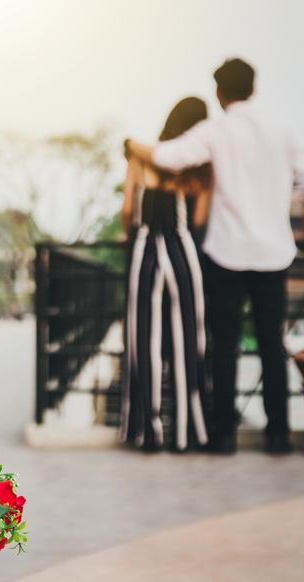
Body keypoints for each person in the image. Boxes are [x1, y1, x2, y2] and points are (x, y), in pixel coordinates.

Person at [127, 58, 304, 455]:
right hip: (273, 253)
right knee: (272, 343)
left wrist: (131, 146)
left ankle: (222, 435)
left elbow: (168, 157)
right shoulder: (281, 132)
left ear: (219, 93)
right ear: (253, 88)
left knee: (225, 343)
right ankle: (278, 434)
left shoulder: (216, 130)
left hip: (227, 253)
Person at [121, 97, 212, 452]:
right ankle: (187, 431)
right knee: (190, 338)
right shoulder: (203, 167)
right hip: (182, 249)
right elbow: (200, 218)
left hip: (144, 247)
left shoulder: (141, 157)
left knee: (143, 338)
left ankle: (147, 431)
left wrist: (130, 232)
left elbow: (128, 209)